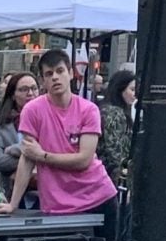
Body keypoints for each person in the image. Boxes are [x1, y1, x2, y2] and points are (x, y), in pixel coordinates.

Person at [10, 49, 120, 219]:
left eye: (60, 71)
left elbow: (84, 160)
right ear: (42, 81)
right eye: (49, 74)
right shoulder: (32, 110)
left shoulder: (89, 110)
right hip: (57, 206)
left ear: (70, 74)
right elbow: (28, 157)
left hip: (99, 198)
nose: (55, 77)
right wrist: (12, 204)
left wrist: (43, 156)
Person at [0, 72, 39, 203]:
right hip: (11, 195)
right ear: (13, 95)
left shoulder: (49, 120)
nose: (30, 93)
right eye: (24, 89)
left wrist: (14, 149)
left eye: (34, 88)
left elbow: (54, 150)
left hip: (46, 192)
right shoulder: (2, 127)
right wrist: (31, 161)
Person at [98, 68, 138, 188]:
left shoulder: (107, 110)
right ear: (120, 89)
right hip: (111, 178)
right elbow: (115, 151)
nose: (135, 94)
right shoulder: (114, 113)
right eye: (132, 89)